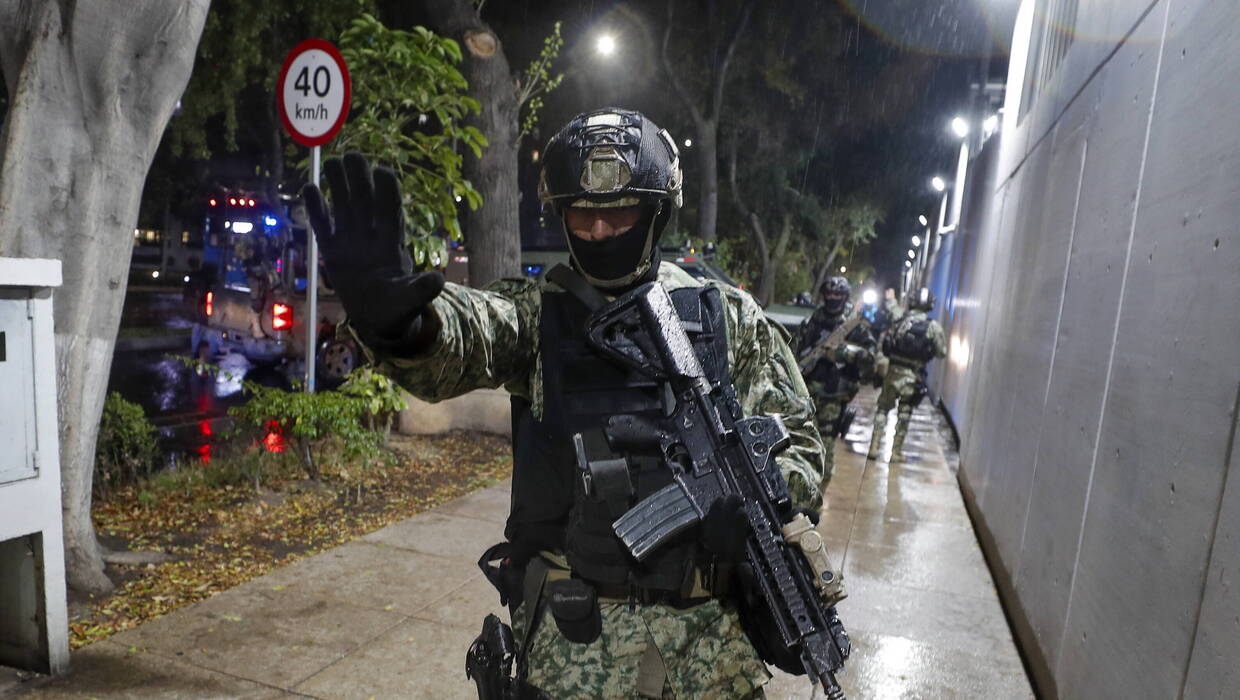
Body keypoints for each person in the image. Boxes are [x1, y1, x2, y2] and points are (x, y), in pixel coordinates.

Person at [302, 108, 827, 698]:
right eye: (582, 215)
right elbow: (471, 330)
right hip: (573, 655)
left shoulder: (728, 319)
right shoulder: (537, 311)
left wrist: (764, 500)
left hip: (710, 656)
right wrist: (406, 324)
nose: (599, 232)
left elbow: (800, 442)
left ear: (657, 211)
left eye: (618, 214)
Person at [795, 276, 876, 487]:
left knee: (826, 447)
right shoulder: (815, 318)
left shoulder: (853, 323)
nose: (832, 298)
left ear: (845, 296)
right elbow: (800, 348)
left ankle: (818, 495)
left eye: (838, 294)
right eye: (829, 294)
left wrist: (843, 353)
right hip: (808, 392)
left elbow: (870, 357)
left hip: (834, 394)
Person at [867, 287, 946, 460]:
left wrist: (891, 299)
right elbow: (942, 352)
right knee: (904, 413)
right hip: (913, 375)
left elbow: (891, 309)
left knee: (883, 409)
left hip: (893, 371)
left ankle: (874, 447)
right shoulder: (933, 327)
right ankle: (895, 452)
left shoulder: (901, 318)